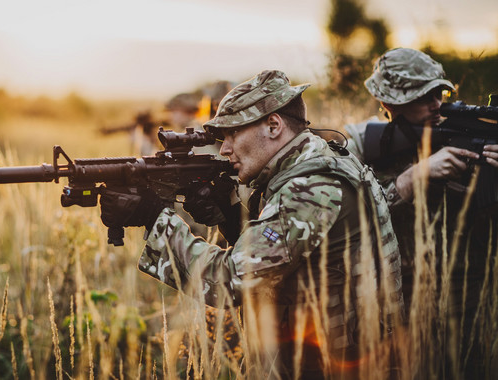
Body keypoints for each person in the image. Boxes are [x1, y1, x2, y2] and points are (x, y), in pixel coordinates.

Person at [99, 70, 404, 379]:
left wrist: (156, 220)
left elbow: (230, 280)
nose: (224, 149)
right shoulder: (323, 159)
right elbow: (290, 260)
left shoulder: (309, 189)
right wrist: (230, 217)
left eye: (232, 134)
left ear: (273, 126)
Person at [344, 47, 498, 379]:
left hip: (473, 306)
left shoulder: (468, 131)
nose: (435, 104)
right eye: (421, 97)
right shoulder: (357, 147)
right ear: (388, 104)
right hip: (400, 310)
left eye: (438, 93)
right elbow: (349, 223)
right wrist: (413, 177)